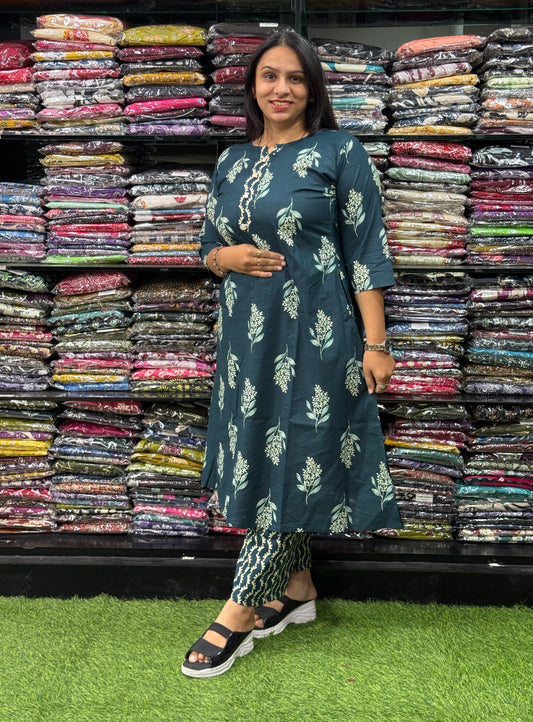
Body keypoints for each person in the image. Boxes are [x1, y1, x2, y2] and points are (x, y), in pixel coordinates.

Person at [181, 29, 402, 679]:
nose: (281, 88)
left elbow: (366, 250)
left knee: (295, 456)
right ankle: (298, 588)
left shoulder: (339, 150)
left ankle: (238, 610)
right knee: (260, 451)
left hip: (318, 337)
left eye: (295, 78)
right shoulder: (231, 160)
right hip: (245, 342)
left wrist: (377, 344)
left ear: (312, 89)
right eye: (269, 76)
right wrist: (224, 257)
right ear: (252, 86)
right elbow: (208, 246)